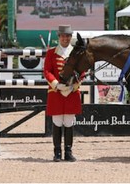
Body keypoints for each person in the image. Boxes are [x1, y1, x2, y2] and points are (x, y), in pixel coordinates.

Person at [44, 25, 82, 162]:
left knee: (69, 122)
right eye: (63, 36)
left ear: (70, 37)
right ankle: (57, 152)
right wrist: (56, 85)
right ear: (59, 37)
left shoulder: (76, 53)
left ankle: (68, 151)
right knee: (57, 122)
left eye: (68, 36)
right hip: (56, 92)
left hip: (72, 92)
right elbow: (47, 71)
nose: (65, 38)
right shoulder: (51, 53)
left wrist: (74, 86)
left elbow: (82, 71)